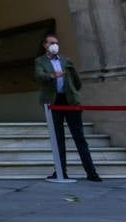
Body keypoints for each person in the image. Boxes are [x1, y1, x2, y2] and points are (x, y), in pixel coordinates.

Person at [35, 33, 101, 182]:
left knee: (79, 137)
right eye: (51, 43)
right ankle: (60, 171)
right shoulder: (40, 61)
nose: (55, 45)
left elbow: (77, 82)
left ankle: (91, 172)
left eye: (56, 43)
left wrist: (73, 92)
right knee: (58, 138)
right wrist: (53, 76)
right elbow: (39, 76)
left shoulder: (66, 60)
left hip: (70, 101)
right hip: (53, 102)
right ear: (45, 45)